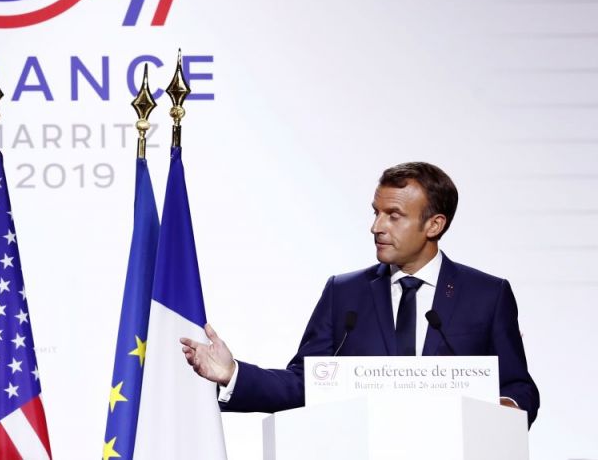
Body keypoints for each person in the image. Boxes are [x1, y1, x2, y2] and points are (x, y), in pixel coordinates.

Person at [181, 162, 540, 427]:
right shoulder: (345, 293)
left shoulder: (487, 295)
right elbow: (306, 383)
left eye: (393, 215)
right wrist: (233, 373)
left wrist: (502, 412)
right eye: (376, 213)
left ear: (434, 225)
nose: (376, 227)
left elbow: (517, 386)